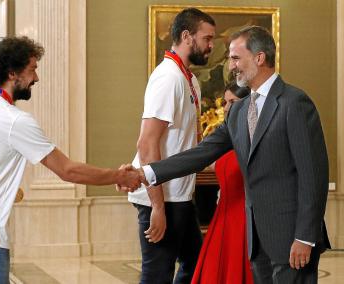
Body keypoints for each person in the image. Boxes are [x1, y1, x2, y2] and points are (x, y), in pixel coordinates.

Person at [132, 26, 331, 284]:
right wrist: (146, 172)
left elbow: (313, 176)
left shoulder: (294, 103)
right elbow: (202, 154)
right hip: (256, 241)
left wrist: (305, 237)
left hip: (292, 239)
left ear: (259, 58)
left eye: (236, 58)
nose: (231, 65)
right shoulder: (239, 111)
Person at [0, 36, 141, 283]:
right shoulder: (13, 120)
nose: (36, 78)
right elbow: (68, 171)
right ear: (13, 73)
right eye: (32, 69)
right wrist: (120, 176)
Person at [127, 8, 215, 284]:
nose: (212, 46)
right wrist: (157, 207)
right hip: (162, 197)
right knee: (157, 275)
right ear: (187, 36)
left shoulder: (189, 79)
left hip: (180, 196)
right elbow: (147, 142)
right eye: (207, 38)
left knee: (195, 261)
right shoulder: (168, 78)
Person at [191, 82, 253, 284]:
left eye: (232, 102)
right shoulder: (227, 134)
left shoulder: (258, 134)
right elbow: (198, 156)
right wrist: (146, 173)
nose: (225, 108)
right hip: (222, 217)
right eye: (225, 102)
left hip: (245, 220)